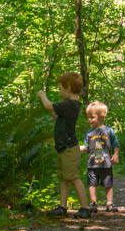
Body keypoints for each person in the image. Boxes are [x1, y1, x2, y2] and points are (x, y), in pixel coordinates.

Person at [37, 72, 92, 217]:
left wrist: (42, 95)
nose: (59, 91)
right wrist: (52, 112)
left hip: (69, 148)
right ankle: (62, 206)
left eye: (60, 88)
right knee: (64, 178)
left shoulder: (70, 104)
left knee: (73, 178)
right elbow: (57, 117)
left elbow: (49, 106)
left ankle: (85, 208)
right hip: (63, 148)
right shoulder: (70, 106)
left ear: (68, 88)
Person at [80, 100, 120, 212]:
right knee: (92, 184)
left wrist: (116, 154)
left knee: (108, 184)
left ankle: (109, 203)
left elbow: (115, 144)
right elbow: (86, 147)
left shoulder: (109, 131)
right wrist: (78, 148)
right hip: (92, 164)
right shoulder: (89, 133)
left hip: (106, 163)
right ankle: (93, 203)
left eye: (92, 117)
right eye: (88, 117)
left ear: (102, 117)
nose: (89, 120)